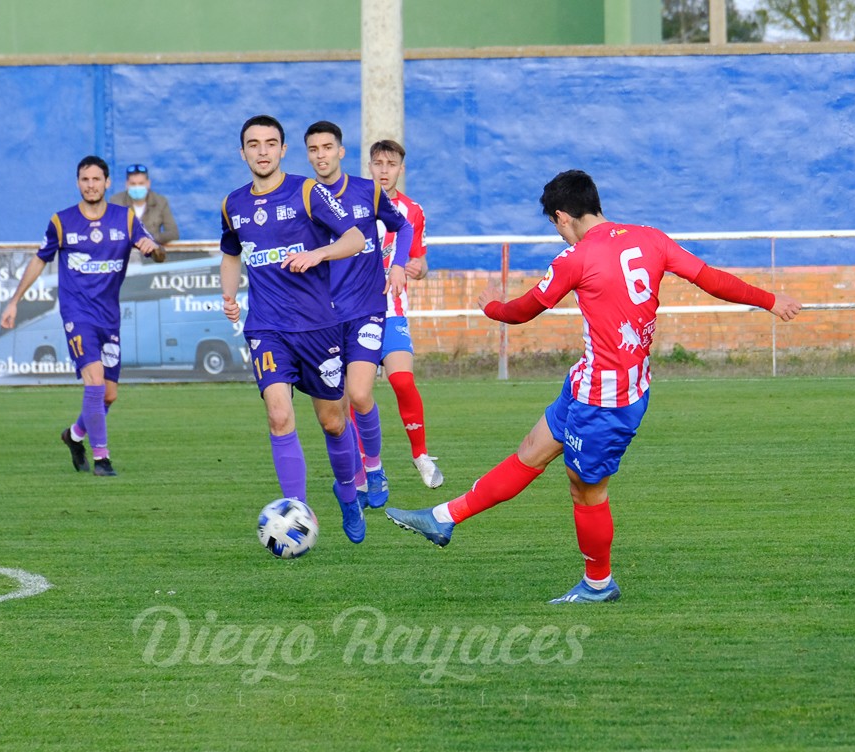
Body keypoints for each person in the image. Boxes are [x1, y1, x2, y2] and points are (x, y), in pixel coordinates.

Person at [386, 169, 801, 603]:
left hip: (607, 401)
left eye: (555, 226)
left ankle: (598, 584)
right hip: (589, 383)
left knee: (586, 491)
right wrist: (770, 300)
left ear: (562, 216)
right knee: (531, 450)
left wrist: (490, 304)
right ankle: (443, 516)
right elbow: (710, 278)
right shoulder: (650, 238)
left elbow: (522, 311)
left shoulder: (576, 258)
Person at [219, 115, 371, 542]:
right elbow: (232, 253)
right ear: (243, 152)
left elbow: (356, 239)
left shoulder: (307, 191)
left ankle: (346, 493)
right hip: (267, 328)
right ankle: (296, 517)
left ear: (283, 150)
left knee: (334, 422)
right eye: (253, 144)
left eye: (270, 143)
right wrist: (229, 295)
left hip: (318, 327)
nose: (262, 151)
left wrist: (319, 254)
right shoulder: (233, 204)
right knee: (279, 415)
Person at [1, 155, 162, 477]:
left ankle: (74, 436)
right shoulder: (62, 221)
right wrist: (14, 300)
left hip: (109, 315)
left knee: (110, 394)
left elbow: (158, 254)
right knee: (95, 382)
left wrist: (152, 247)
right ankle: (102, 459)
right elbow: (39, 260)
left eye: (96, 179)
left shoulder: (125, 218)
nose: (90, 185)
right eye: (84, 180)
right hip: (77, 313)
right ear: (78, 183)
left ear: (107, 183)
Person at [303, 121, 411, 510]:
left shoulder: (369, 191)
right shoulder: (302, 197)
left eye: (327, 147)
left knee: (362, 394)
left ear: (341, 152)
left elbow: (405, 226)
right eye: (314, 149)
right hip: (324, 315)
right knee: (340, 406)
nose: (321, 155)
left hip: (367, 307)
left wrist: (398, 264)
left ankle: (376, 467)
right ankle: (359, 481)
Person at [368, 139, 444, 489]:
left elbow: (422, 261)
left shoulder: (412, 210)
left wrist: (417, 268)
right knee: (359, 393)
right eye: (378, 163)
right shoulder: (353, 204)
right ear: (370, 166)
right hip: (356, 314)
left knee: (402, 380)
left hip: (393, 313)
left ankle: (421, 455)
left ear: (400, 169)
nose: (384, 170)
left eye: (391, 164)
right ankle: (369, 468)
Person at [108, 164, 180, 261]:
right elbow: (110, 232)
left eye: (141, 183)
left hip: (153, 257)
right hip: (123, 258)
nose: (137, 187)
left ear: (148, 183)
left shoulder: (160, 202)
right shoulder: (116, 201)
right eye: (133, 184)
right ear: (127, 184)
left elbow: (173, 233)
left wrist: (150, 239)